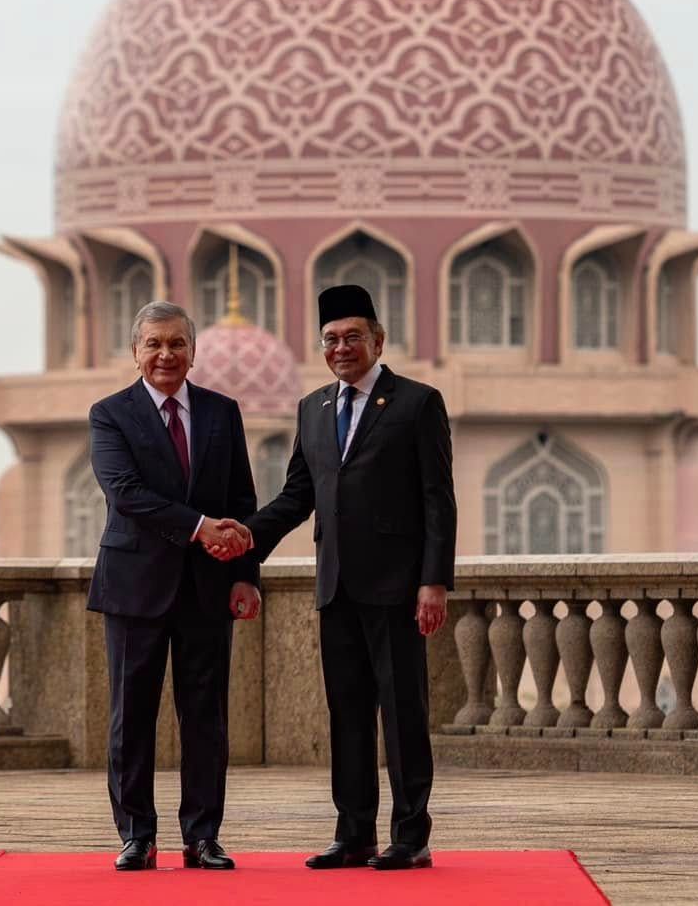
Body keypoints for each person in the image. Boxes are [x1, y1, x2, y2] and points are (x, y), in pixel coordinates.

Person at [245, 283, 455, 871]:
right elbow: (297, 496)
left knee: (403, 713)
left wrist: (433, 582)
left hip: (398, 587)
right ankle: (354, 833)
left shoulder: (416, 403)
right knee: (348, 714)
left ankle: (411, 836)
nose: (342, 347)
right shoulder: (313, 408)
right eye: (331, 339)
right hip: (335, 586)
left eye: (352, 336)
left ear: (378, 340)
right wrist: (244, 542)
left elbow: (439, 500)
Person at [85, 300, 261, 872]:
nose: (166, 354)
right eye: (154, 344)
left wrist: (244, 575)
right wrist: (198, 527)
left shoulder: (220, 412)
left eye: (177, 343)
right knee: (131, 714)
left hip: (208, 587)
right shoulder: (110, 414)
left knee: (205, 714)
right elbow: (125, 492)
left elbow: (240, 499)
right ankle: (137, 834)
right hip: (136, 586)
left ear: (193, 350)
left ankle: (202, 835)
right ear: (135, 352)